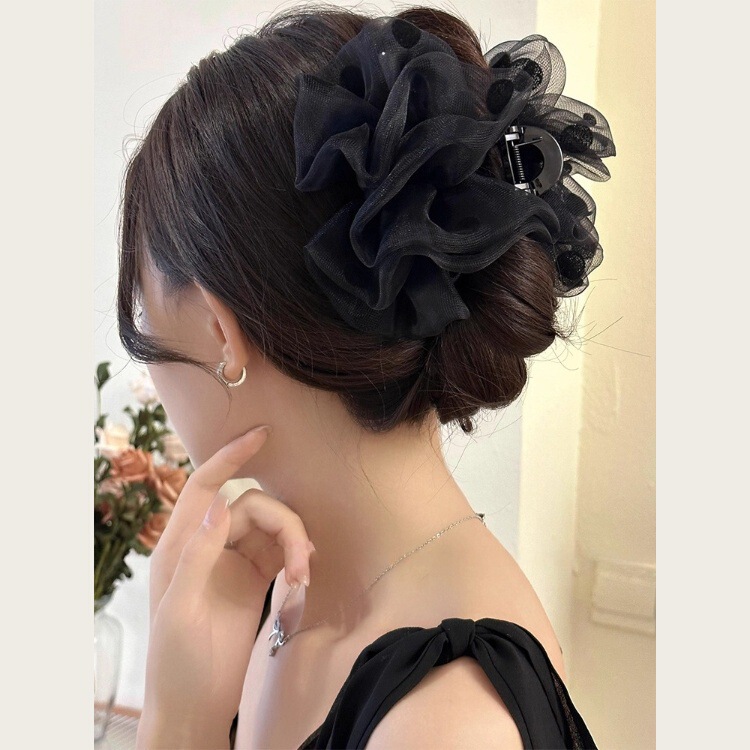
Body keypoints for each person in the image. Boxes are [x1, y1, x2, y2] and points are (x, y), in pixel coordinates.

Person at [117, 5, 614, 748]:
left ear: (221, 333)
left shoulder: (444, 722)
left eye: (146, 314)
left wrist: (177, 726)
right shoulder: (277, 596)